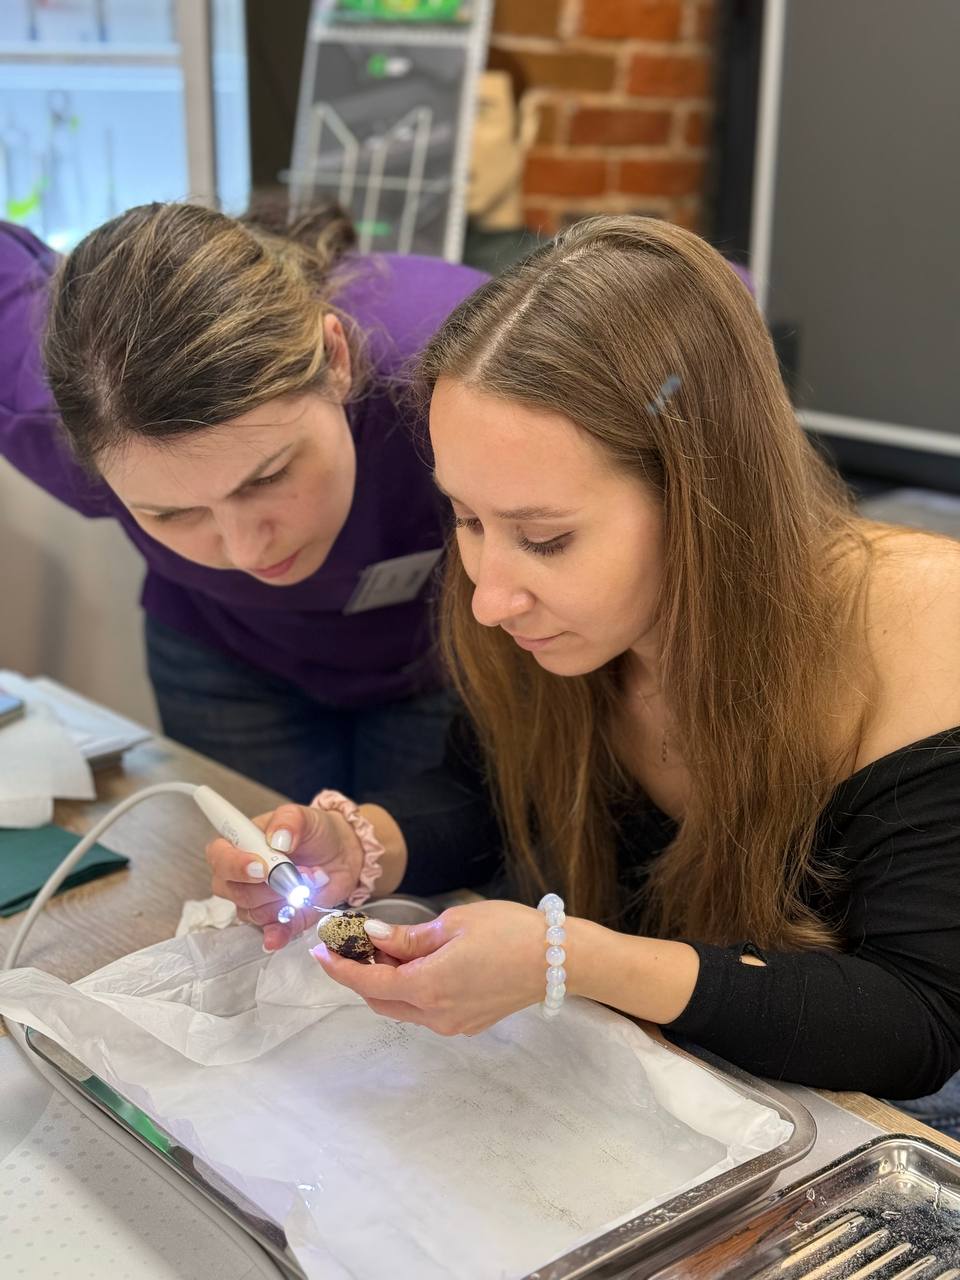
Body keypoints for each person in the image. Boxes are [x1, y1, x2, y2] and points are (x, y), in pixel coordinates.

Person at [205, 215, 960, 1111]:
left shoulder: (926, 626)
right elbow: (492, 791)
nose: (489, 599)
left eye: (546, 538)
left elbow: (915, 1022)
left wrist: (570, 960)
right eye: (467, 520)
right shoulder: (549, 613)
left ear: (703, 494)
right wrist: (365, 845)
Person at [0, 206, 487, 799]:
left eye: (268, 477)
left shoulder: (458, 372)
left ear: (336, 360)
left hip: (442, 652)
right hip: (222, 654)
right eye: (172, 513)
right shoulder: (47, 423)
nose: (248, 551)